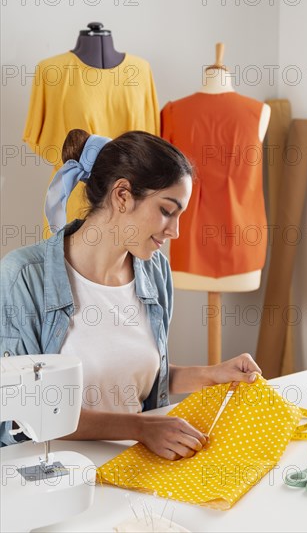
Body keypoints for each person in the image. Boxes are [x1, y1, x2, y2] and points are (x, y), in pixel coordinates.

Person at [0, 130, 262, 459]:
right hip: (55, 480)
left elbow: (133, 377)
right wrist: (139, 428)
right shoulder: (23, 278)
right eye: (167, 211)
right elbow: (27, 413)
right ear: (122, 195)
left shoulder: (155, 274)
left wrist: (211, 374)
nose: (175, 231)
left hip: (136, 467)